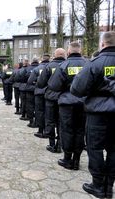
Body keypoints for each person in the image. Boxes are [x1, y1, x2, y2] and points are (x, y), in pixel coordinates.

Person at [71, 31, 115, 198]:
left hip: (98, 113)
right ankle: (109, 186)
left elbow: (77, 88)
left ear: (103, 44)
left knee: (95, 148)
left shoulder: (95, 63)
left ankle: (98, 185)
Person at [48, 41, 86, 170]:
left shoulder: (64, 65)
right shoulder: (88, 64)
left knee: (67, 130)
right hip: (84, 103)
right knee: (80, 131)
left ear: (68, 52)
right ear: (80, 51)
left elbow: (53, 85)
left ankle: (67, 159)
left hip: (67, 103)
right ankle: (77, 160)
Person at [37, 48, 66, 149]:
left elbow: (40, 83)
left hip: (51, 97)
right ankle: (60, 144)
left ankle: (52, 143)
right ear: (64, 55)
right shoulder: (67, 65)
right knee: (61, 122)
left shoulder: (49, 66)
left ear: (55, 55)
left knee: (50, 120)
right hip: (65, 97)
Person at [29, 54, 50, 138]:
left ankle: (41, 131)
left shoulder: (37, 68)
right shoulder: (54, 67)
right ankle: (49, 132)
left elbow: (30, 81)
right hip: (49, 93)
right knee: (49, 113)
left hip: (39, 93)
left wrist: (37, 83)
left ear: (41, 59)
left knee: (40, 112)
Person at [25, 58, 39, 127]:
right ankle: (37, 122)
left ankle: (31, 121)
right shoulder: (42, 68)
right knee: (38, 106)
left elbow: (24, 77)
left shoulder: (28, 68)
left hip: (30, 89)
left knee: (30, 105)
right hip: (39, 89)